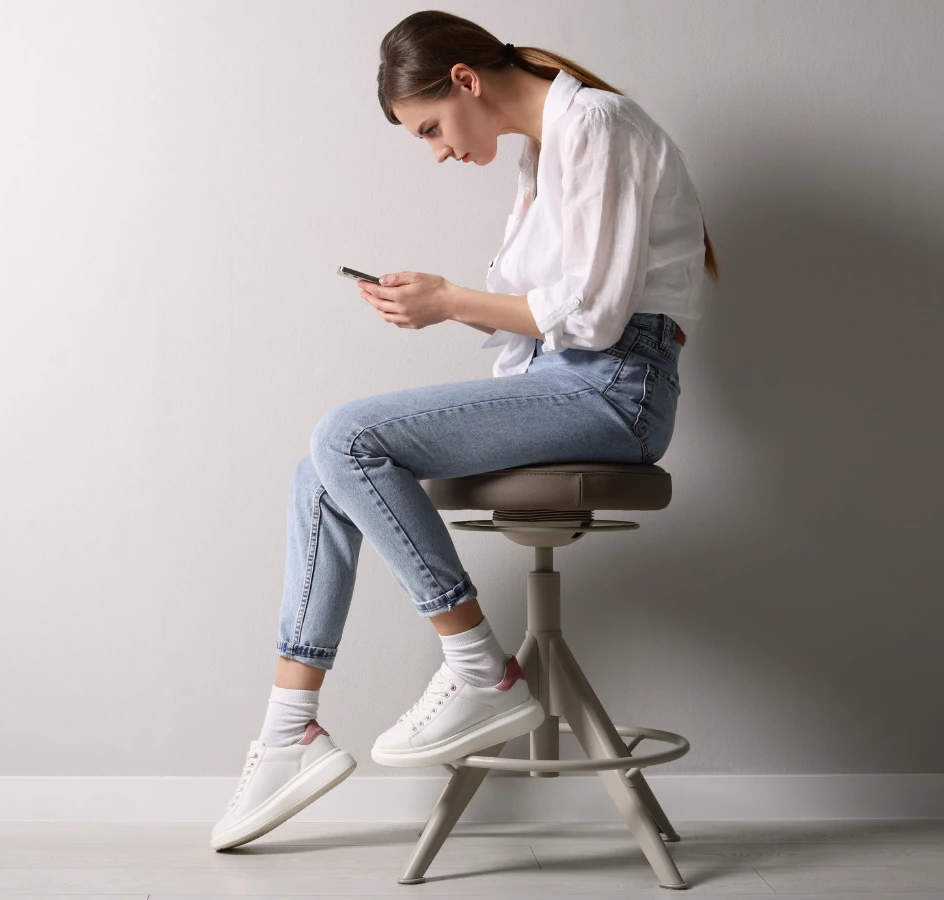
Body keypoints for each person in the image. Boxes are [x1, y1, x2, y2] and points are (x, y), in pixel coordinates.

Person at [211, 10, 719, 851]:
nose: (439, 151)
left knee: (344, 435)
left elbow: (591, 321)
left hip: (619, 392)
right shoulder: (542, 155)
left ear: (465, 81)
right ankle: (287, 732)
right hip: (570, 383)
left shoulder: (595, 122)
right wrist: (438, 307)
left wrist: (448, 301)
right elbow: (542, 327)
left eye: (430, 129)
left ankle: (483, 671)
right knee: (321, 465)